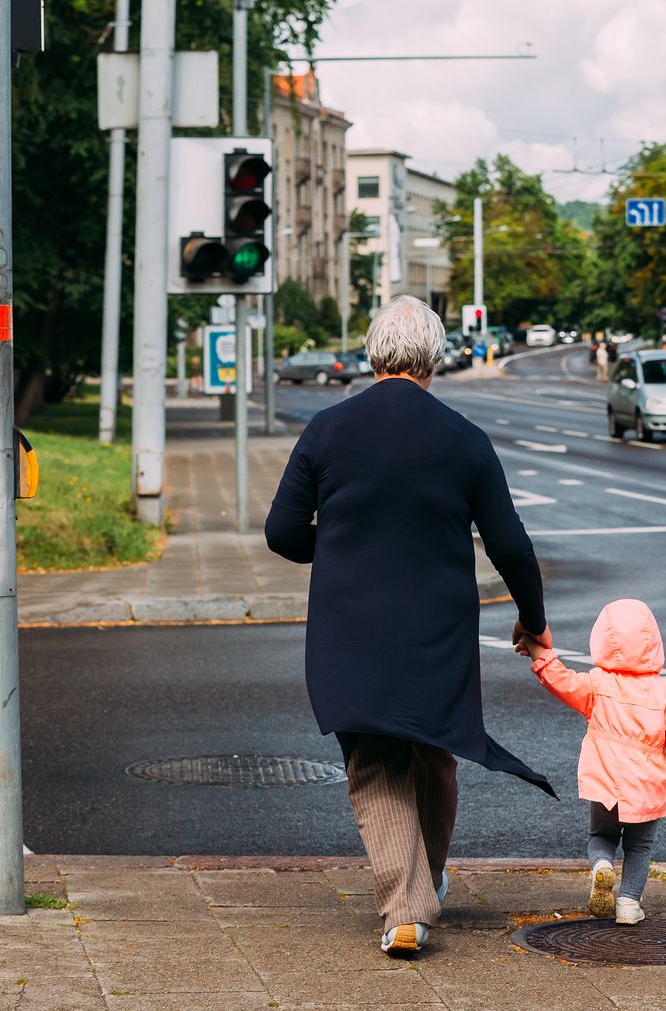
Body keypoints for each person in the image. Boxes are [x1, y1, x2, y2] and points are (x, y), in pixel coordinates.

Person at [265, 296, 555, 958]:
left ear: (372, 354)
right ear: (434, 357)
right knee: (433, 748)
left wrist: (340, 543)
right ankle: (421, 888)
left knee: (376, 759)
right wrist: (534, 620)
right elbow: (511, 544)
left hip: (350, 624)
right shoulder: (463, 438)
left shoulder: (327, 429)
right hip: (438, 629)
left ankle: (406, 904)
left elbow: (282, 532)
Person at [518, 598, 666, 925]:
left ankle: (602, 867)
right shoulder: (665, 691)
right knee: (639, 846)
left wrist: (537, 650)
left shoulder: (597, 682)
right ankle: (628, 904)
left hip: (605, 780)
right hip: (645, 786)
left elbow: (561, 681)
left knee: (601, 836)